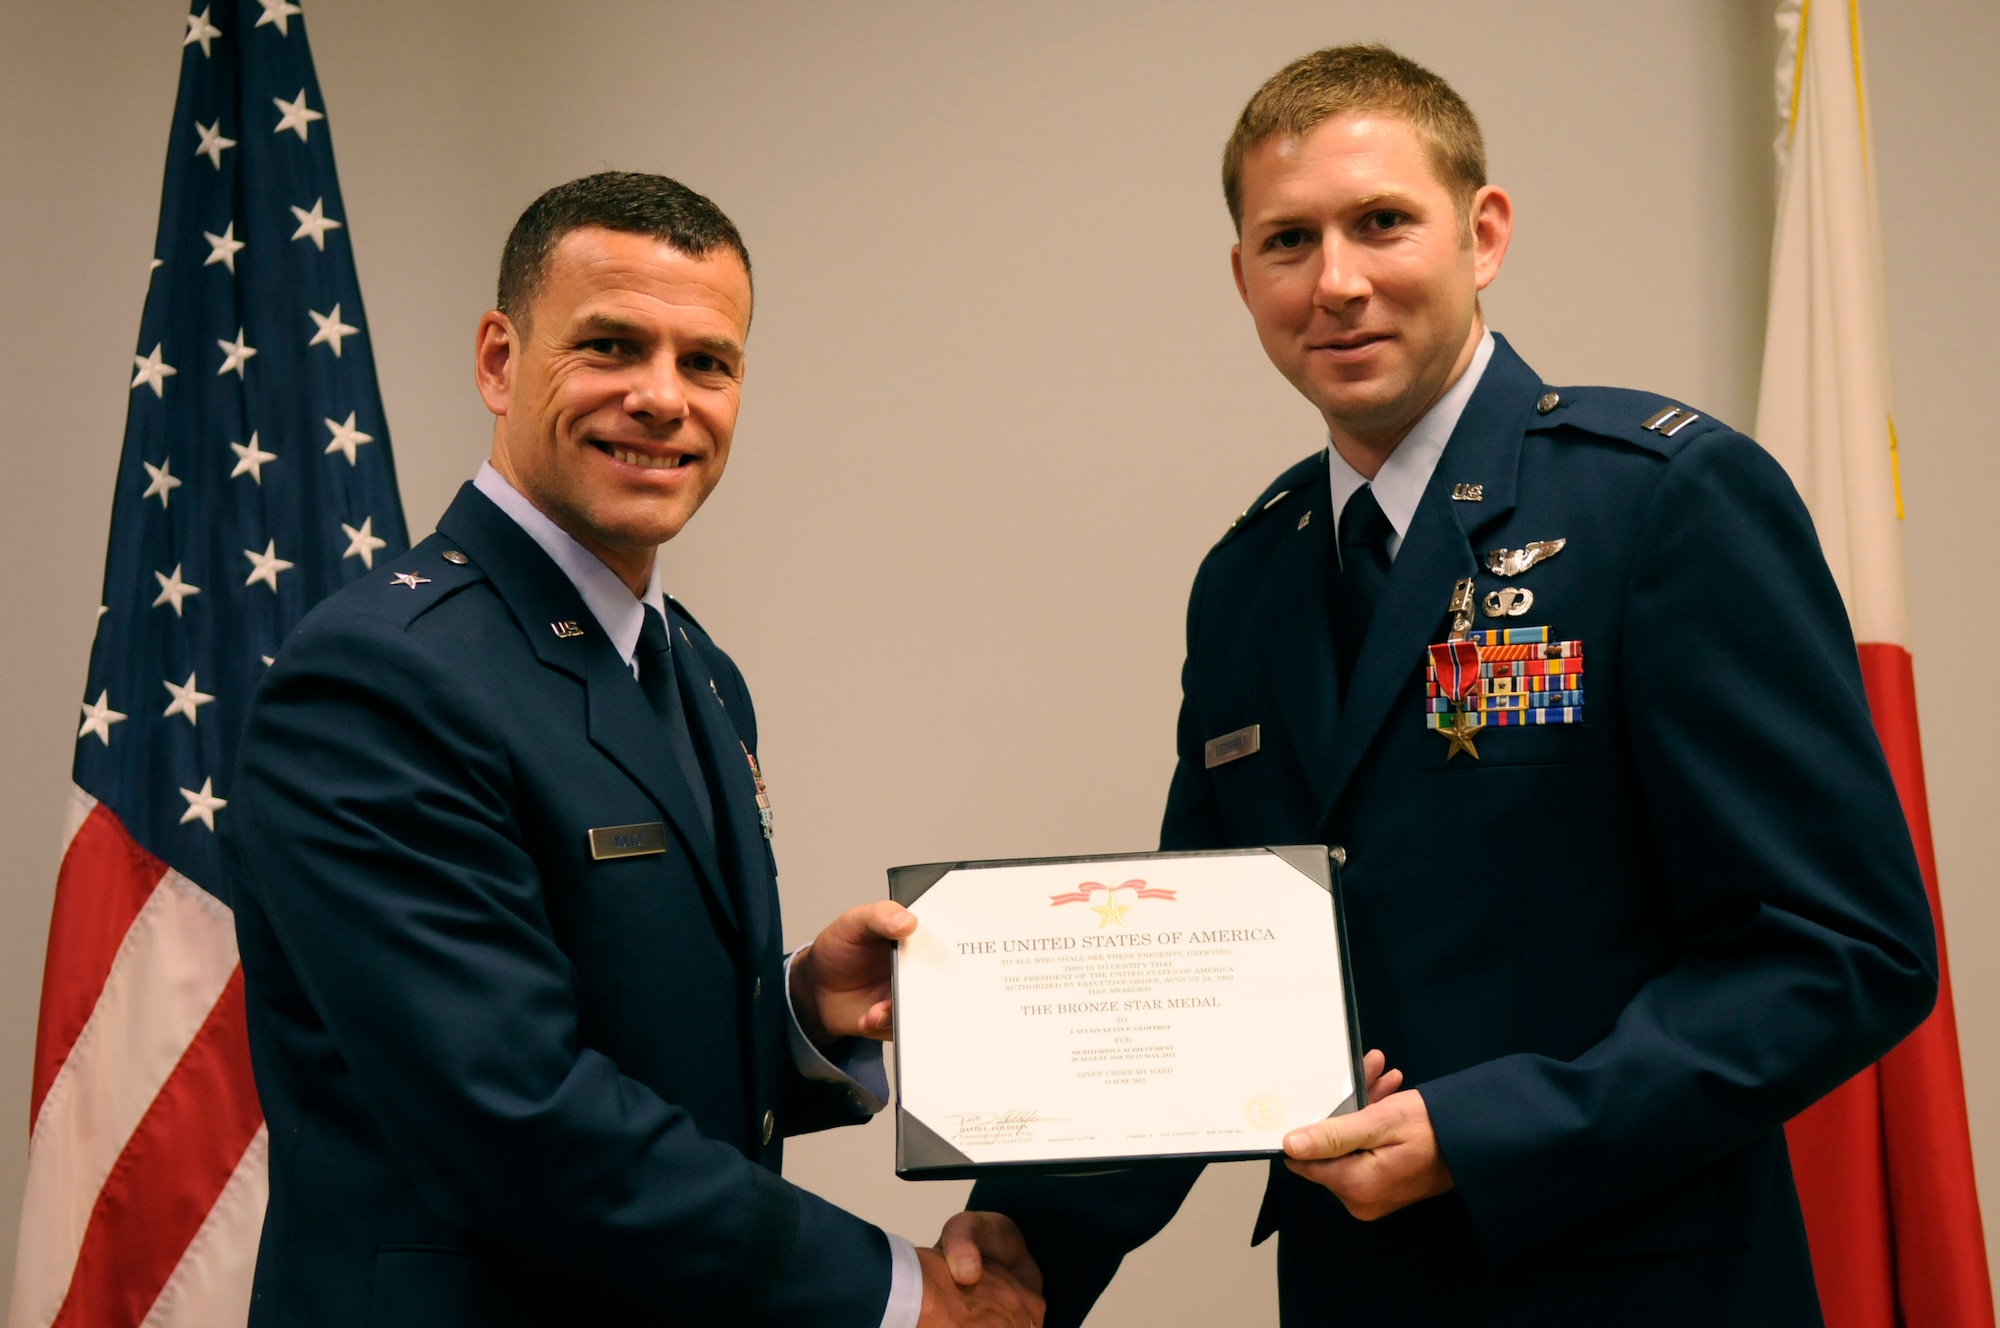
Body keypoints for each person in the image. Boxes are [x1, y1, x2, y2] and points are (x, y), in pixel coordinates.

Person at [963, 45, 1938, 1327]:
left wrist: (1488, 1129)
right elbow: (1205, 969)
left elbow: (1841, 949)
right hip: (1354, 1293)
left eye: (1380, 223)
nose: (1337, 282)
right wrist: (1027, 1240)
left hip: (1635, 1290)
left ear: (1482, 233)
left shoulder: (1660, 504)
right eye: (1286, 241)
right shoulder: (1249, 580)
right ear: (1241, 276)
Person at [225, 173, 1041, 1328]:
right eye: (611, 345)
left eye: (706, 361)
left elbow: (627, 1033)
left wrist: (803, 1011)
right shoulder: (379, 678)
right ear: (500, 361)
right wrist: (895, 1291)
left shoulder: (692, 666)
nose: (662, 398)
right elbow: (515, 1113)